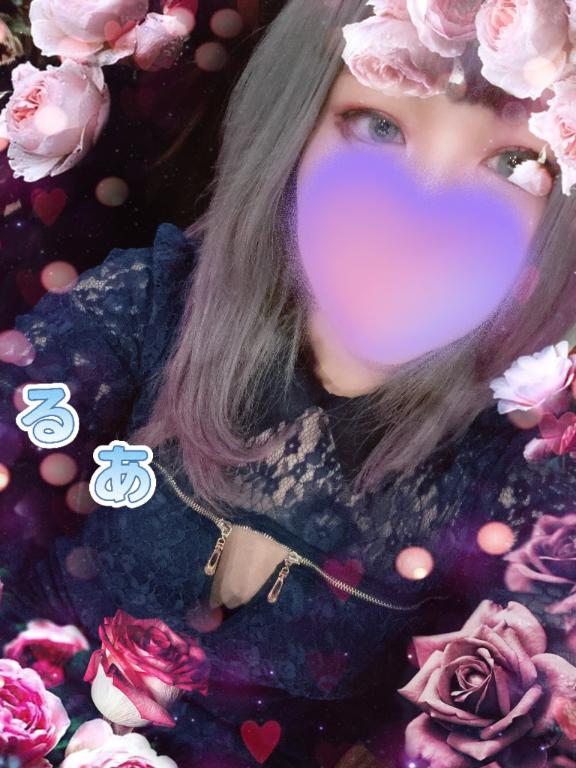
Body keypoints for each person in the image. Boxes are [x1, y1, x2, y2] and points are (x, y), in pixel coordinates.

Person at [1, 1, 576, 766]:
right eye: (379, 127)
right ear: (294, 127)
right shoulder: (149, 308)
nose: (420, 218)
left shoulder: (519, 476)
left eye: (515, 166)